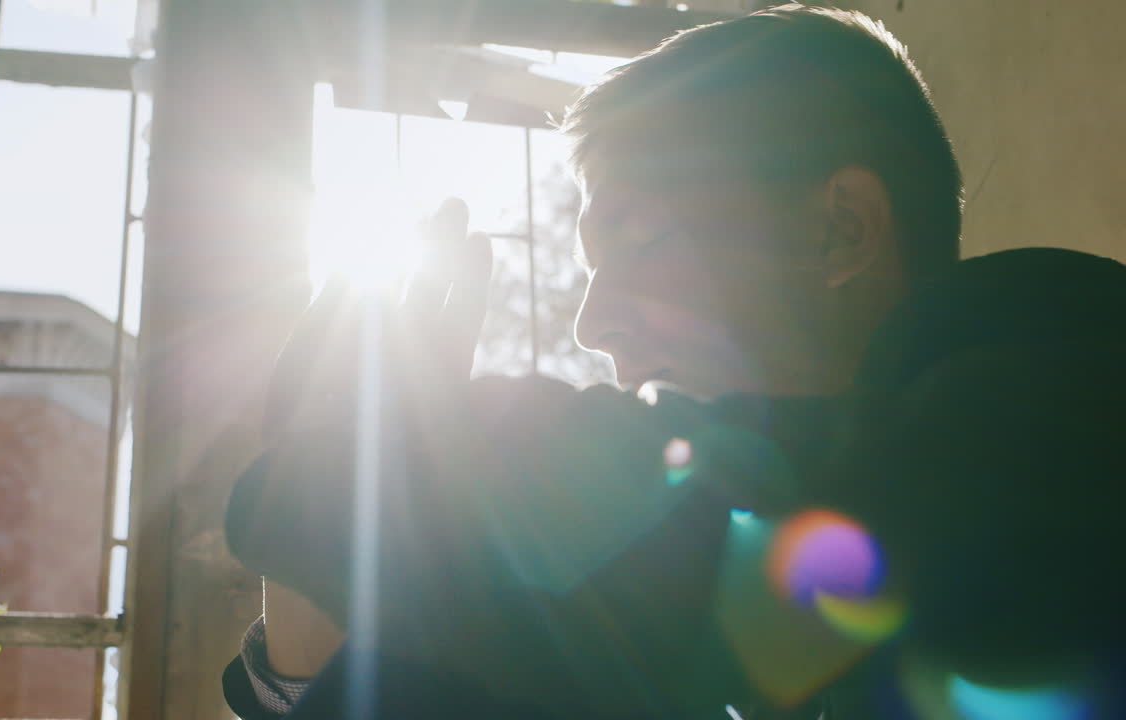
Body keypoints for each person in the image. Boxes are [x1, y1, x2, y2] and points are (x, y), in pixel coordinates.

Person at [223, 4, 963, 719]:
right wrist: (317, 607)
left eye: (642, 240)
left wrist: (381, 506)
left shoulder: (1044, 420)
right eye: (593, 270)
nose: (592, 325)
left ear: (839, 229)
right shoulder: (685, 619)